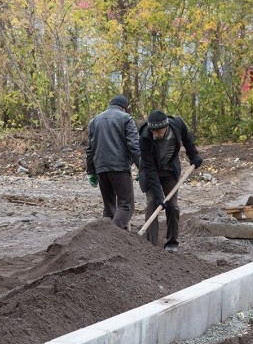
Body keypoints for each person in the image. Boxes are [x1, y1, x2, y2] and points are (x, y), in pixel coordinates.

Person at [138, 109, 203, 253]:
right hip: (151, 172)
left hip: (170, 171)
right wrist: (159, 194)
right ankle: (150, 245)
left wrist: (194, 155)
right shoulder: (144, 136)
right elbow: (149, 168)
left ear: (165, 127)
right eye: (152, 131)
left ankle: (172, 243)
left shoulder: (177, 124)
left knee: (172, 206)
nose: (155, 134)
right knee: (152, 203)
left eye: (158, 131)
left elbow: (187, 139)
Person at [85, 95, 141, 230]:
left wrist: (91, 171)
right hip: (119, 168)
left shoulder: (94, 121)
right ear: (124, 108)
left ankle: (104, 243)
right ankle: (111, 234)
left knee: (109, 207)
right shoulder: (126, 118)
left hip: (101, 169)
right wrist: (142, 167)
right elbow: (134, 145)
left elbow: (89, 149)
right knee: (126, 206)